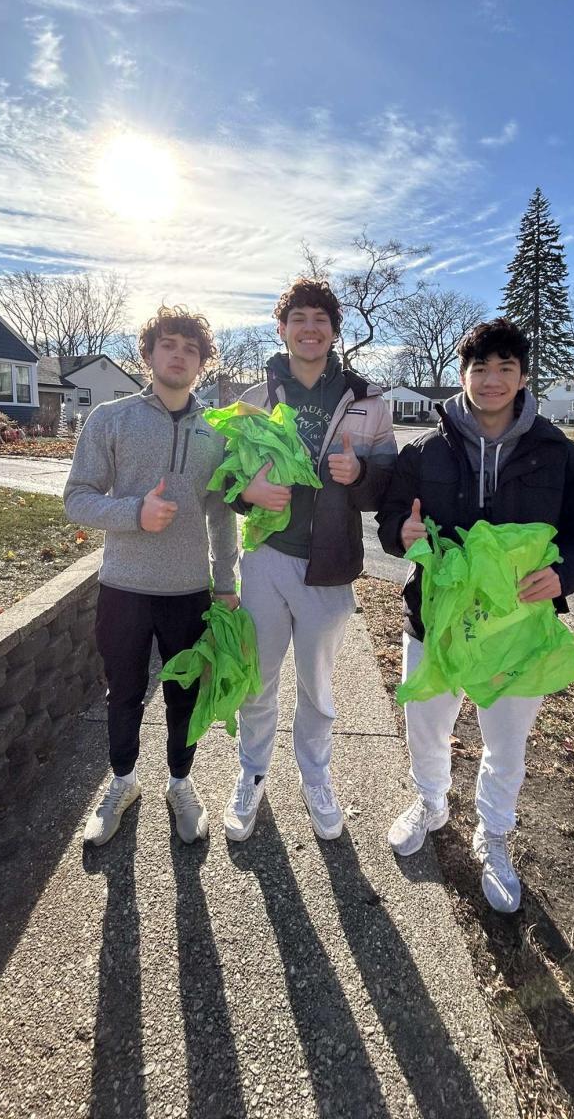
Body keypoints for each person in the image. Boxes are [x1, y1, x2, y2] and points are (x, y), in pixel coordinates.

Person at [376, 318, 574, 911]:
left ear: (524, 376)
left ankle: (494, 832)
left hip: (517, 631)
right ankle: (430, 802)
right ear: (462, 375)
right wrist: (400, 534)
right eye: (480, 368)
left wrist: (565, 574)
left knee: (506, 743)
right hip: (434, 623)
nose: (492, 380)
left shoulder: (559, 454)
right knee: (425, 726)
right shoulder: (424, 451)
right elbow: (389, 521)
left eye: (506, 368)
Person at [222, 278, 397, 842]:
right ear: (282, 329)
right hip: (266, 560)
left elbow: (388, 486)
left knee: (317, 687)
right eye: (298, 318)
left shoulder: (368, 402)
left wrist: (361, 474)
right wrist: (247, 493)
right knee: (258, 679)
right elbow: (224, 479)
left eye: (321, 318)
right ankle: (252, 773)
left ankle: (315, 776)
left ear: (334, 331)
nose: (310, 328)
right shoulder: (253, 401)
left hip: (330, 566)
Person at [65, 306, 239, 846]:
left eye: (191, 349)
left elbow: (222, 514)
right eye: (169, 345)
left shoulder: (216, 432)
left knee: (184, 695)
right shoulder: (111, 418)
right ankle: (122, 782)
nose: (179, 355)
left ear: (203, 363)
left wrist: (226, 583)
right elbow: (77, 499)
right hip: (124, 588)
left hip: (189, 592)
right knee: (124, 693)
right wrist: (134, 513)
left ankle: (180, 784)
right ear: (148, 354)